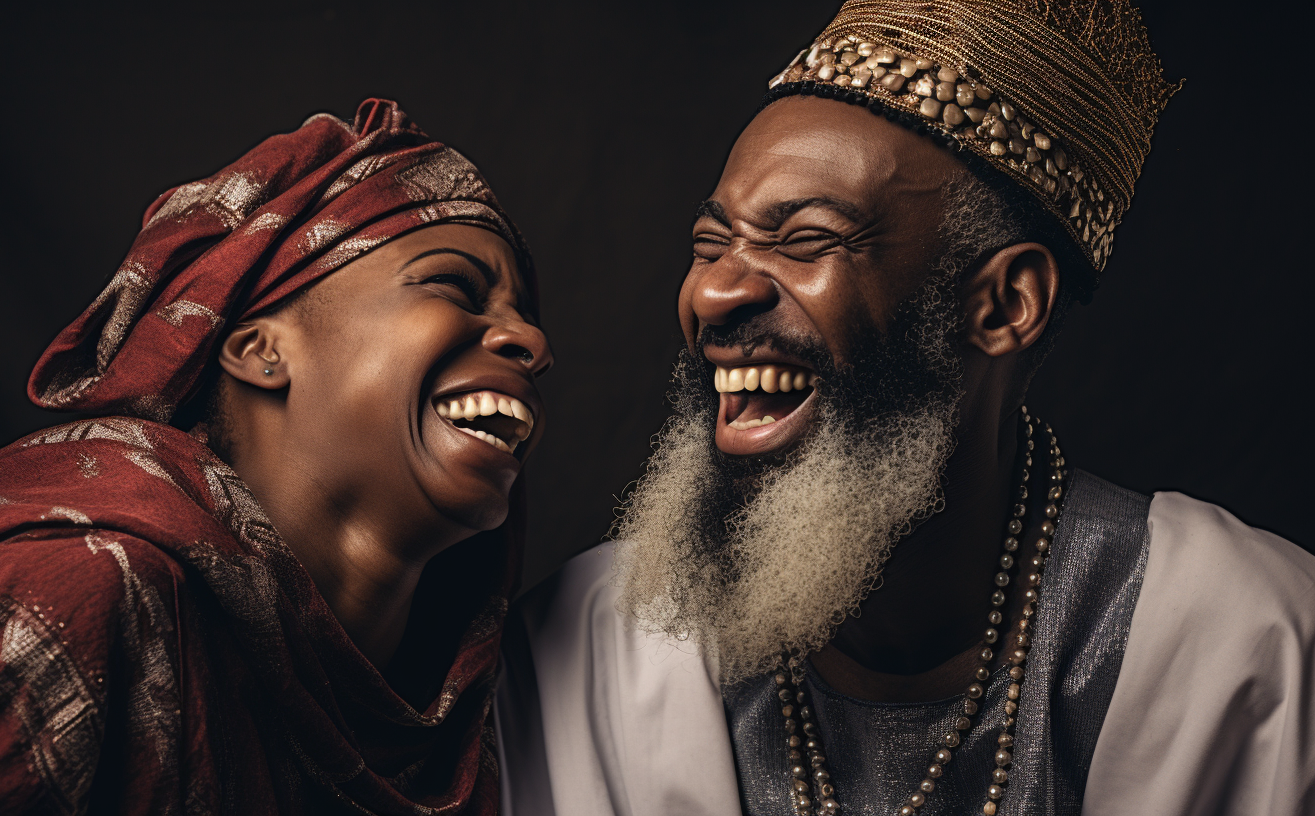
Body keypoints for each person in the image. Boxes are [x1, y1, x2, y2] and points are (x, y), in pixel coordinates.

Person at [493, 2, 1314, 815]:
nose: (714, 292)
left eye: (807, 240)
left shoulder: (1256, 649)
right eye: (712, 246)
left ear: (1002, 306)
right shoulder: (588, 654)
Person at [0, 99, 550, 815]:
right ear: (261, 351)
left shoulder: (465, 721)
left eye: (524, 315)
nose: (533, 344)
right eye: (455, 286)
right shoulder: (65, 602)